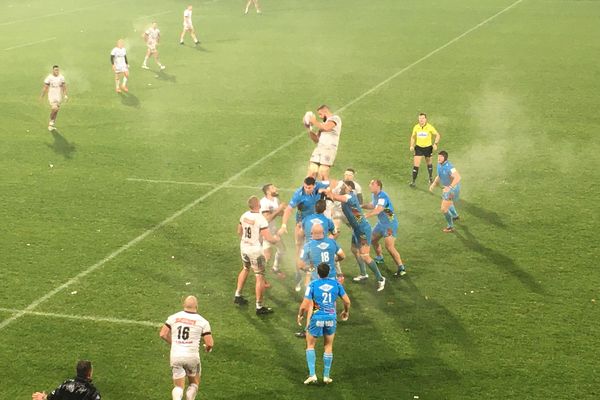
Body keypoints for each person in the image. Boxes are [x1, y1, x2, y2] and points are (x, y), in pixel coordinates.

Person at [326, 181, 386, 291]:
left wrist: (326, 188)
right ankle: (363, 274)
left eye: (344, 186)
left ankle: (381, 278)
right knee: (354, 249)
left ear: (349, 188)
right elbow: (334, 198)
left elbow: (334, 196)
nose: (342, 187)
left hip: (362, 229)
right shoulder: (347, 196)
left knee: (365, 256)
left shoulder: (349, 197)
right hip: (357, 228)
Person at [297, 262, 350, 385]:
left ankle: (312, 375)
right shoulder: (336, 284)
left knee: (310, 345)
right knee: (328, 346)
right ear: (329, 272)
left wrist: (300, 315)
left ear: (317, 273)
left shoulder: (313, 284)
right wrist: (346, 312)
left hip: (317, 317)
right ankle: (326, 376)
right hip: (331, 317)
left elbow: (305, 305)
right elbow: (347, 301)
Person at [278, 176, 331, 291]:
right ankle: (298, 274)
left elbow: (333, 182)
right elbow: (288, 209)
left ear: (314, 185)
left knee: (313, 250)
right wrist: (284, 224)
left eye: (309, 188)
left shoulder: (320, 185)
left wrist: (328, 191)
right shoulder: (298, 194)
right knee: (299, 248)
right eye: (306, 187)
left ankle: (312, 276)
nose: (307, 189)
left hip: (315, 224)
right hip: (301, 223)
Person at [159, 296, 213, 400]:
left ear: (184, 305)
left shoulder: (173, 317)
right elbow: (209, 343)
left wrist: (174, 343)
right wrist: (207, 348)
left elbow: (163, 334)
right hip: (192, 357)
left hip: (176, 356)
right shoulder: (203, 322)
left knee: (178, 386)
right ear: (197, 306)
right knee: (193, 384)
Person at [234, 196, 280, 314]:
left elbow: (239, 231)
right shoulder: (261, 219)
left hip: (244, 246)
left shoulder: (244, 215)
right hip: (255, 250)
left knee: (245, 268)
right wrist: (276, 239)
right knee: (259, 276)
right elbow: (268, 237)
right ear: (258, 205)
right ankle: (259, 306)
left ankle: (238, 295)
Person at [363, 179, 407, 276]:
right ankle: (380, 257)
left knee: (390, 247)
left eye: (372, 184)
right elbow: (372, 205)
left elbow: (378, 210)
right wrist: (362, 205)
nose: (369, 185)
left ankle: (401, 268)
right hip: (381, 224)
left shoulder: (383, 196)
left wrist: (366, 215)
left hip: (390, 225)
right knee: (373, 240)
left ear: (378, 186)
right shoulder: (375, 195)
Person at [305, 105, 342, 181]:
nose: (320, 117)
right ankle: (307, 191)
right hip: (319, 148)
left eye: (320, 114)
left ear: (325, 111)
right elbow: (316, 140)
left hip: (329, 148)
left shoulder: (335, 118)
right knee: (311, 171)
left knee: (322, 172)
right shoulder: (323, 124)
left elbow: (326, 128)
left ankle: (324, 192)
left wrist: (314, 121)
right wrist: (309, 128)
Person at [31, 360, 101, 400]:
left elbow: (53, 396)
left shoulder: (66, 384)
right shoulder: (92, 392)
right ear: (89, 373)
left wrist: (43, 397)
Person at [429, 151, 461, 232]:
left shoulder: (449, 167)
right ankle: (455, 216)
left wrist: (449, 187)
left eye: (441, 157)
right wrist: (433, 184)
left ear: (445, 158)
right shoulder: (439, 165)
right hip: (447, 188)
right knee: (448, 203)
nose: (439, 158)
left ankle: (450, 227)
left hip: (452, 189)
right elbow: (439, 176)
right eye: (438, 156)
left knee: (444, 209)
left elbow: (458, 177)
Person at [260, 183, 286, 278]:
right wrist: (279, 209)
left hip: (273, 230)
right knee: (267, 257)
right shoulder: (263, 203)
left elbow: (279, 213)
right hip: (265, 232)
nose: (276, 188)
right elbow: (267, 219)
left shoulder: (275, 200)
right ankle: (260, 277)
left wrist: (285, 210)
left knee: (282, 249)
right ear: (268, 191)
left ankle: (275, 268)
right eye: (273, 188)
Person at [409, 113, 440, 187]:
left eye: (422, 118)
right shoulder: (416, 127)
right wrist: (411, 145)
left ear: (425, 119)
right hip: (419, 148)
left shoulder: (429, 127)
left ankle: (430, 178)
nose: (421, 120)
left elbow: (437, 135)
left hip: (428, 148)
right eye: (420, 118)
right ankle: (413, 181)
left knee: (429, 163)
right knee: (416, 165)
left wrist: (435, 144)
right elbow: (413, 137)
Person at [40, 65, 67, 132]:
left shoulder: (61, 77)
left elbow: (64, 86)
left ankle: (51, 125)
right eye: (55, 70)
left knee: (56, 110)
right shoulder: (49, 78)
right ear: (53, 70)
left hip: (58, 95)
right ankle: (50, 123)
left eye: (57, 70)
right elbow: (45, 87)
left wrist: (65, 95)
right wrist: (42, 96)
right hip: (52, 94)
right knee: (54, 108)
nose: (57, 71)